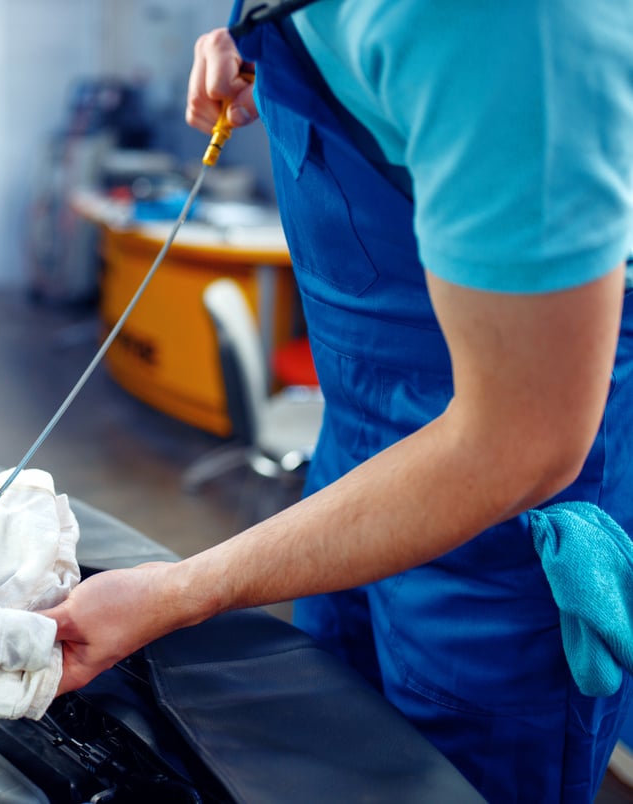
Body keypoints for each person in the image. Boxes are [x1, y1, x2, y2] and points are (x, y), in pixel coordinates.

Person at [42, 1, 633, 800]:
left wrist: (180, 592)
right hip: (352, 462)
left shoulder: (512, 25)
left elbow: (517, 445)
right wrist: (263, 44)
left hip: (493, 529)